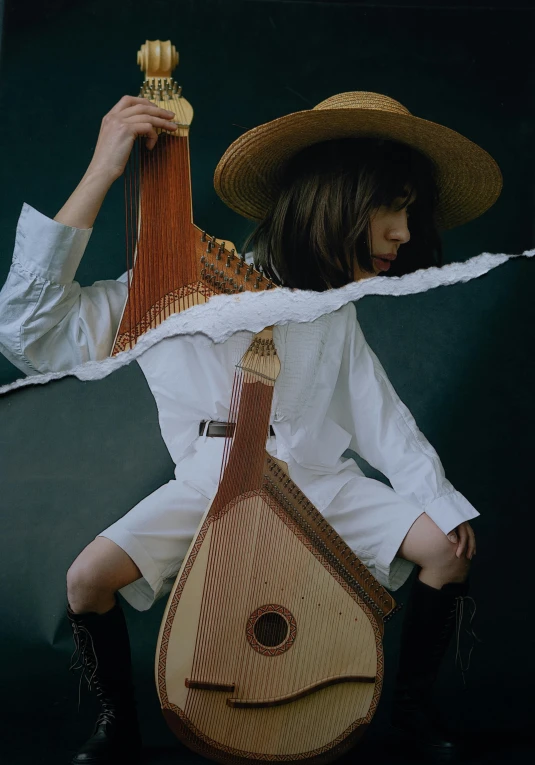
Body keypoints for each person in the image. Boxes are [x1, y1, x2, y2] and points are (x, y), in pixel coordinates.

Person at [0, 92, 501, 765]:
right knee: (87, 577)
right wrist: (102, 170)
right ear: (336, 198)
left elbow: (377, 415)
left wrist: (436, 497)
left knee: (446, 548)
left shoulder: (333, 307)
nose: (404, 234)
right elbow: (28, 334)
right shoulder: (165, 289)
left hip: (317, 481)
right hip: (208, 481)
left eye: (410, 211)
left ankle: (411, 710)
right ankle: (117, 724)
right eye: (391, 205)